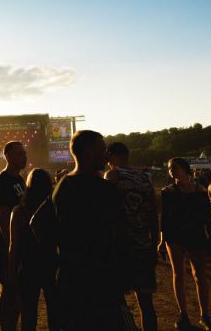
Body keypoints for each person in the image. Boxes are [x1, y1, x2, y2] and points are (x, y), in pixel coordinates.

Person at [52, 131, 135, 330]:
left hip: (70, 279)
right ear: (89, 152)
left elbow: (38, 224)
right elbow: (120, 233)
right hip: (101, 282)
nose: (106, 155)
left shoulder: (61, 186)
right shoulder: (104, 190)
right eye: (102, 149)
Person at [104, 142, 158, 331]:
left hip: (122, 248)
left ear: (110, 156)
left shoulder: (113, 176)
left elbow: (108, 213)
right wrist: (154, 243)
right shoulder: (146, 177)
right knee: (146, 303)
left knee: (116, 300)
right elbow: (153, 214)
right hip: (143, 245)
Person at [159, 158, 211, 330]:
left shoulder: (201, 191)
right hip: (174, 236)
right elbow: (165, 219)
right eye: (169, 168)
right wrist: (162, 241)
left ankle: (204, 315)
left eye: (175, 168)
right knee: (178, 275)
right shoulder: (167, 191)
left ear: (185, 169)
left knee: (199, 275)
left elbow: (207, 218)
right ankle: (183, 314)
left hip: (196, 235)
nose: (171, 171)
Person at [8, 168, 57, 331]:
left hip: (28, 267)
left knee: (28, 316)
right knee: (56, 314)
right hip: (51, 265)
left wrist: (12, 273)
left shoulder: (19, 212)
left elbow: (13, 246)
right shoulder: (54, 210)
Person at [0, 141, 27, 331]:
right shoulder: (2, 181)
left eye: (25, 153)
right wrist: (13, 249)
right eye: (20, 154)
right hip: (7, 243)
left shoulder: (20, 180)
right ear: (8, 156)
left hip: (18, 242)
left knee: (16, 288)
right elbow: (3, 221)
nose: (25, 157)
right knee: (8, 287)